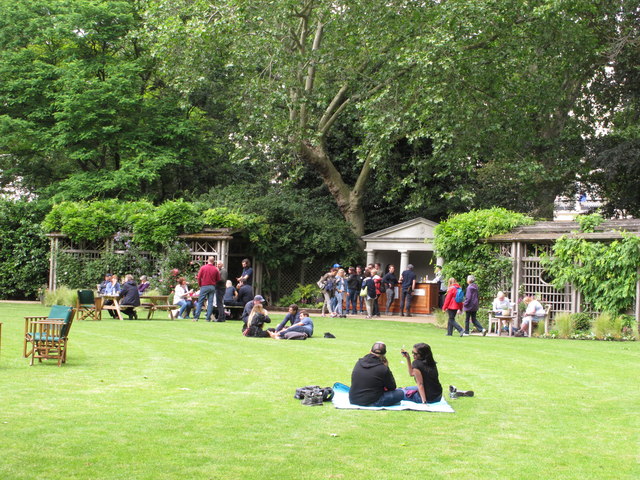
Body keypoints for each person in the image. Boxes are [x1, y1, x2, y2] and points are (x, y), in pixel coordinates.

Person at [349, 342, 404, 407]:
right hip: (371, 401)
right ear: (384, 355)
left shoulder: (359, 362)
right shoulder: (383, 368)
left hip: (353, 399)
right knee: (400, 393)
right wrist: (387, 367)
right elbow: (392, 387)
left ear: (370, 351)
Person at [194, 256, 220, 322]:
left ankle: (196, 317)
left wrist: (200, 285)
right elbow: (218, 279)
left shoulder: (203, 268)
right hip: (212, 286)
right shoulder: (215, 269)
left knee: (200, 302)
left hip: (204, 286)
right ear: (214, 261)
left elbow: (199, 277)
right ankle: (208, 318)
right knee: (210, 303)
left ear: (207, 260)